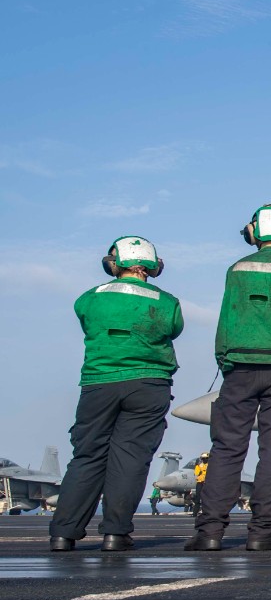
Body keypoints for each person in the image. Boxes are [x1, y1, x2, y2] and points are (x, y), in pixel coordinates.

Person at [186, 205, 271, 553]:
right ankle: (263, 532)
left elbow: (227, 316)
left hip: (238, 368)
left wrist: (226, 359)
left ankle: (209, 532)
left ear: (253, 233)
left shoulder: (236, 270)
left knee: (227, 448)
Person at [51, 236, 184, 552]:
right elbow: (174, 328)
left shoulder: (90, 298)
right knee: (131, 458)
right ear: (153, 266)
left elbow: (85, 322)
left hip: (99, 383)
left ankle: (63, 534)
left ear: (113, 263)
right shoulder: (166, 301)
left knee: (86, 456)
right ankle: (115, 534)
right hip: (149, 385)